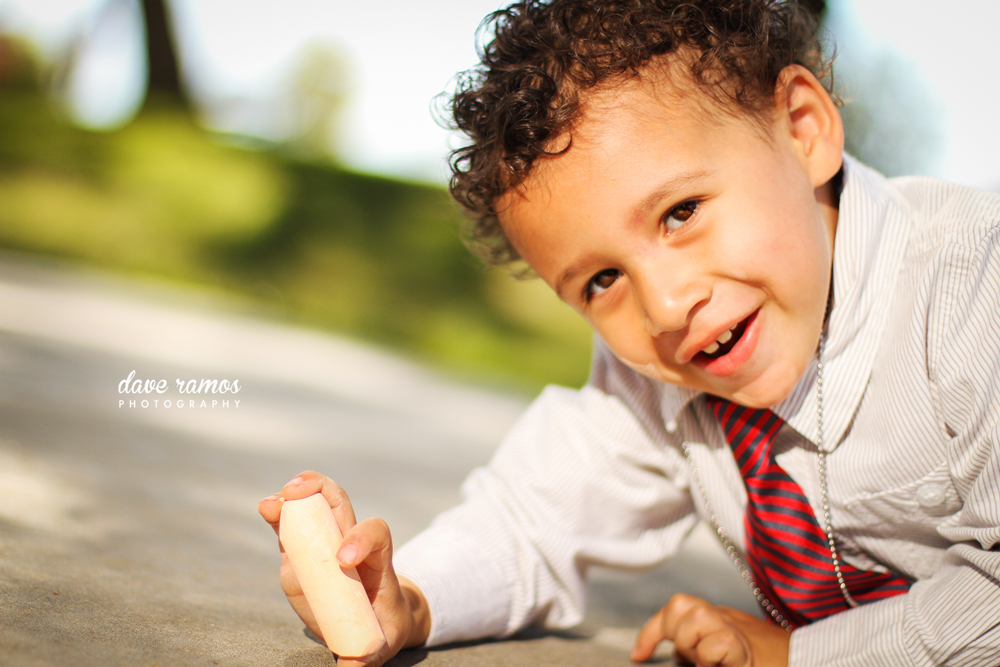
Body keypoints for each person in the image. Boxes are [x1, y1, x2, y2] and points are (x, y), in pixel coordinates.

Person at [258, 1, 1000, 665]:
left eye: (681, 212)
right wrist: (408, 601)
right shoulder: (659, 369)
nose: (668, 304)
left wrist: (801, 655)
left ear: (804, 131)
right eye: (602, 281)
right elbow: (530, 520)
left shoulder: (971, 289)